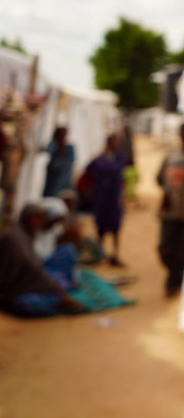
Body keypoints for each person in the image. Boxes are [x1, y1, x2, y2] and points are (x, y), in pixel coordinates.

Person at [0, 202, 84, 317]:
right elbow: (31, 268)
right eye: (38, 218)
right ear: (29, 218)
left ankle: (55, 293)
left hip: (40, 275)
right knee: (30, 305)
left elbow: (38, 265)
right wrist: (58, 293)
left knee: (68, 250)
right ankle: (54, 300)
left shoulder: (29, 234)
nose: (41, 222)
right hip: (16, 288)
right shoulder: (15, 239)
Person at [156, 122, 184, 298]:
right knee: (164, 248)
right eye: (183, 134)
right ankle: (175, 275)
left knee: (182, 249)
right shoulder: (170, 157)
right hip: (170, 211)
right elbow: (159, 179)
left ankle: (174, 281)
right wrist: (166, 192)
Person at [86, 133, 127, 267]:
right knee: (100, 228)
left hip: (114, 199)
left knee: (115, 228)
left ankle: (114, 256)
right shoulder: (100, 159)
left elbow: (123, 176)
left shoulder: (119, 159)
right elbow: (88, 172)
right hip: (102, 199)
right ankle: (99, 255)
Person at [42, 126, 76, 198]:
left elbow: (69, 162)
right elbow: (47, 150)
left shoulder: (69, 148)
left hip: (63, 178)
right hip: (52, 179)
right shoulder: (53, 145)